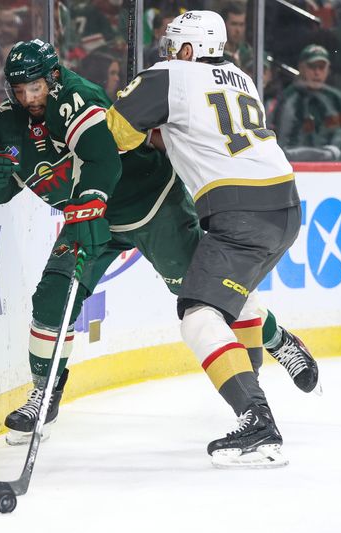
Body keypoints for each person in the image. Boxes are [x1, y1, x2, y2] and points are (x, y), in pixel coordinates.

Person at [0, 39, 319, 449]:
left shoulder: (78, 97)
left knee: (208, 297)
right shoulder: (5, 120)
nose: (29, 98)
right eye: (20, 89)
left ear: (54, 78)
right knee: (51, 298)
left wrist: (87, 209)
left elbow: (103, 160)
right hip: (88, 219)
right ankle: (43, 397)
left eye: (37, 88)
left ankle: (278, 339)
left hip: (152, 206)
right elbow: (17, 177)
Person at [106, 10, 306, 468]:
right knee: (232, 305)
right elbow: (192, 134)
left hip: (241, 213)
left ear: (190, 48)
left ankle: (257, 422)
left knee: (198, 316)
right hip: (286, 206)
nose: (168, 51)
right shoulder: (240, 78)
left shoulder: (167, 76)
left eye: (175, 44)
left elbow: (114, 135)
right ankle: (264, 377)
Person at [273, 44, 341, 161]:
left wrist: (335, 151)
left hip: (333, 167)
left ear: (328, 69)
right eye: (312, 67)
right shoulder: (287, 98)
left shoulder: (339, 99)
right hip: (294, 165)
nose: (317, 72)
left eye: (321, 67)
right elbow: (281, 138)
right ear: (301, 68)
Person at [221, 1, 252, 71]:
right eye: (234, 24)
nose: (238, 30)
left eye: (241, 24)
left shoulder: (248, 53)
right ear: (224, 24)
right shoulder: (216, 55)